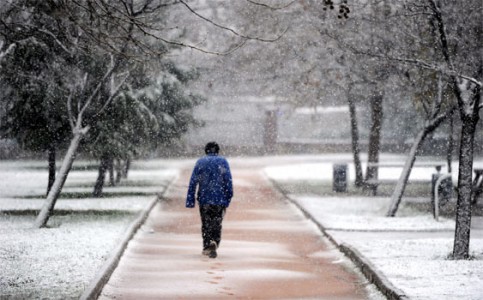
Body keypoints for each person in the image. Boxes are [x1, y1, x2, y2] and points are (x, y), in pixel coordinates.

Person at [186, 141, 233, 258]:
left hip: (204, 198)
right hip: (219, 199)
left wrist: (190, 200)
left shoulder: (200, 162)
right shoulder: (223, 162)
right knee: (217, 222)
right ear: (217, 151)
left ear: (206, 151)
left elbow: (193, 182)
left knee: (206, 222)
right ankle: (215, 241)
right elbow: (228, 181)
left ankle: (207, 244)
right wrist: (228, 198)